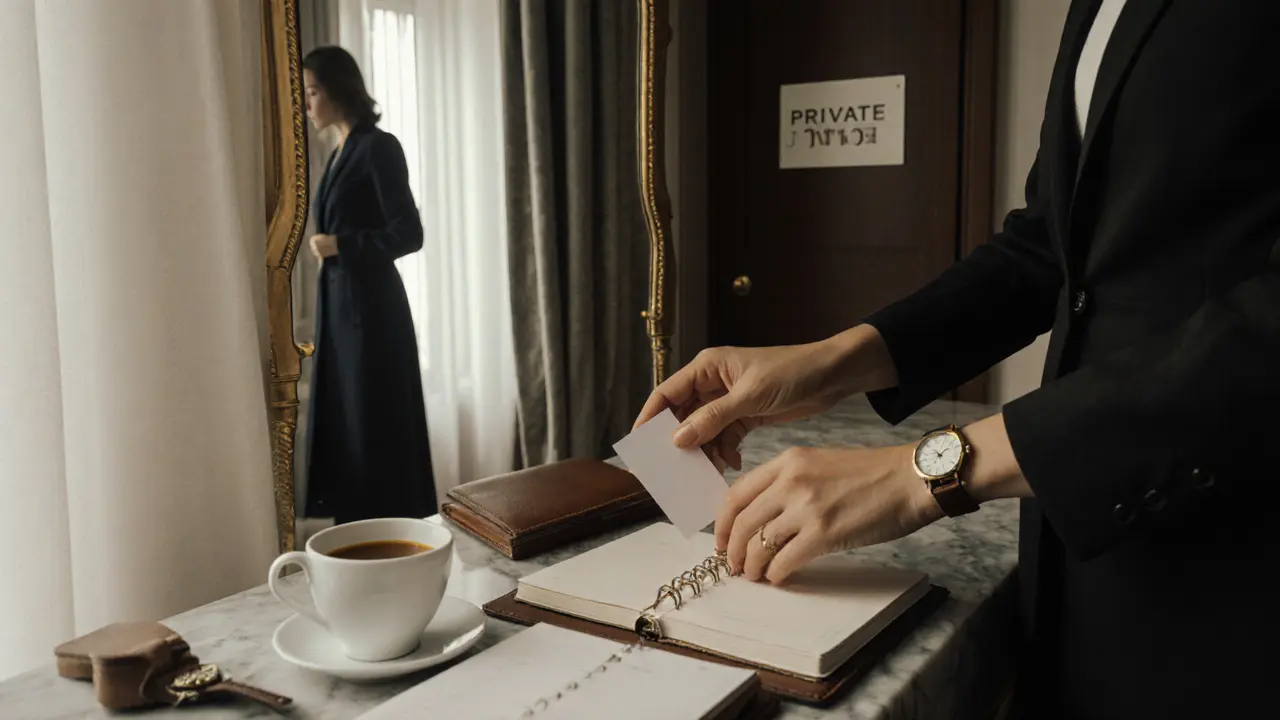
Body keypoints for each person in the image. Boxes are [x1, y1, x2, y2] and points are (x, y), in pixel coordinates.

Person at [634, 2, 1279, 718]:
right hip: (1088, 563)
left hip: (1243, 576)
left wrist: (931, 471)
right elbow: (1046, 249)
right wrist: (829, 361)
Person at [301, 46, 436, 525]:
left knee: (372, 424)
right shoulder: (340, 152)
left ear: (338, 90)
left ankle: (388, 537)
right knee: (348, 424)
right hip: (342, 312)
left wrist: (343, 244)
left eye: (313, 92)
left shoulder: (379, 147)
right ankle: (355, 540)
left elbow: (409, 233)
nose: (307, 104)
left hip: (371, 314)